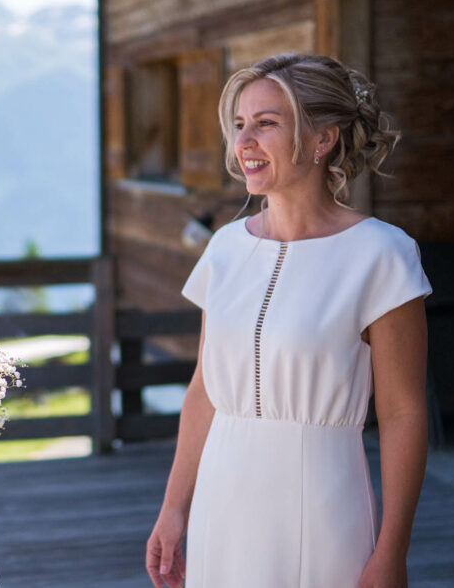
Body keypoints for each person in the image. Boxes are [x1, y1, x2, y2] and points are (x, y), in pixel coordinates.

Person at [146, 53, 431, 588]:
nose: (245, 141)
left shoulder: (382, 254)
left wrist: (393, 550)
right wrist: (173, 510)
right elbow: (204, 391)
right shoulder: (226, 248)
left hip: (322, 503)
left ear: (322, 140)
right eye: (239, 125)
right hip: (221, 500)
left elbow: (403, 415)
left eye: (266, 123)